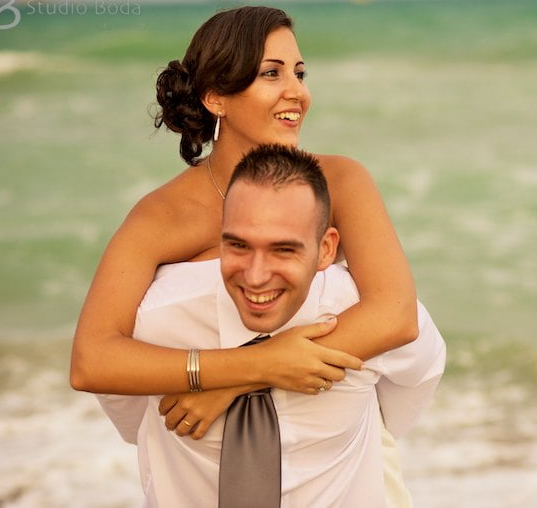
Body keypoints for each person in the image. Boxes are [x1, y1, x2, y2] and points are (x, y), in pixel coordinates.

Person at [70, 5, 423, 505]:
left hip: (335, 450)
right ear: (217, 97)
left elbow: (396, 312)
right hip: (202, 463)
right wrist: (252, 367)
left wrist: (246, 372)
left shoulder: (340, 181)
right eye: (271, 74)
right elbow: (92, 359)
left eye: (299, 73)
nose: (296, 92)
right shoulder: (161, 216)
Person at [99, 144, 445, 506]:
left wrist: (234, 378)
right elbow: (403, 402)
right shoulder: (159, 324)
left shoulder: (359, 313)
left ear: (327, 249)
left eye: (283, 250)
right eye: (239, 246)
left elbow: (404, 392)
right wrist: (260, 365)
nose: (257, 275)